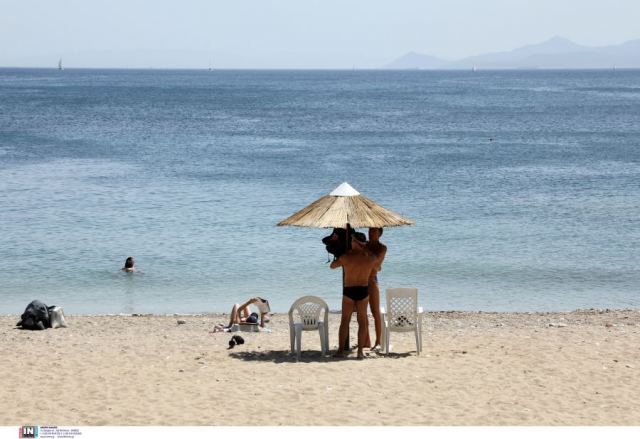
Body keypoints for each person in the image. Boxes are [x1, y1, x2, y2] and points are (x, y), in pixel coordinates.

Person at [330, 233, 378, 359]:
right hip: (363, 290)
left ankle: (340, 351)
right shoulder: (370, 258)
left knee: (345, 321)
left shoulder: (346, 257)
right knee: (362, 321)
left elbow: (332, 266)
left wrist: (338, 254)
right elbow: (378, 268)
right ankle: (360, 352)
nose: (351, 242)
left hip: (349, 290)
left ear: (355, 242)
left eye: (352, 240)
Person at [364, 227, 387, 351]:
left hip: (372, 280)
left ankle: (378, 341)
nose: (370, 232)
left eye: (373, 231)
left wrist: (363, 248)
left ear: (380, 234)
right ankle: (366, 341)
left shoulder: (382, 248)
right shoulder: (364, 245)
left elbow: (376, 262)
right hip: (361, 280)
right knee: (362, 313)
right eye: (369, 230)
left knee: (375, 312)